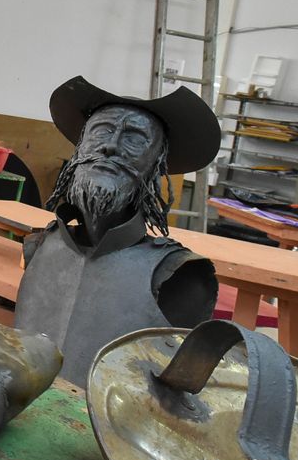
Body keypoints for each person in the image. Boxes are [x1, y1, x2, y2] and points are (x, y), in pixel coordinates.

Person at [12, 76, 220, 387]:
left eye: (134, 138)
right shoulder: (40, 246)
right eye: (102, 132)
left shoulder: (180, 275)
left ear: (155, 166)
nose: (110, 146)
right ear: (80, 149)